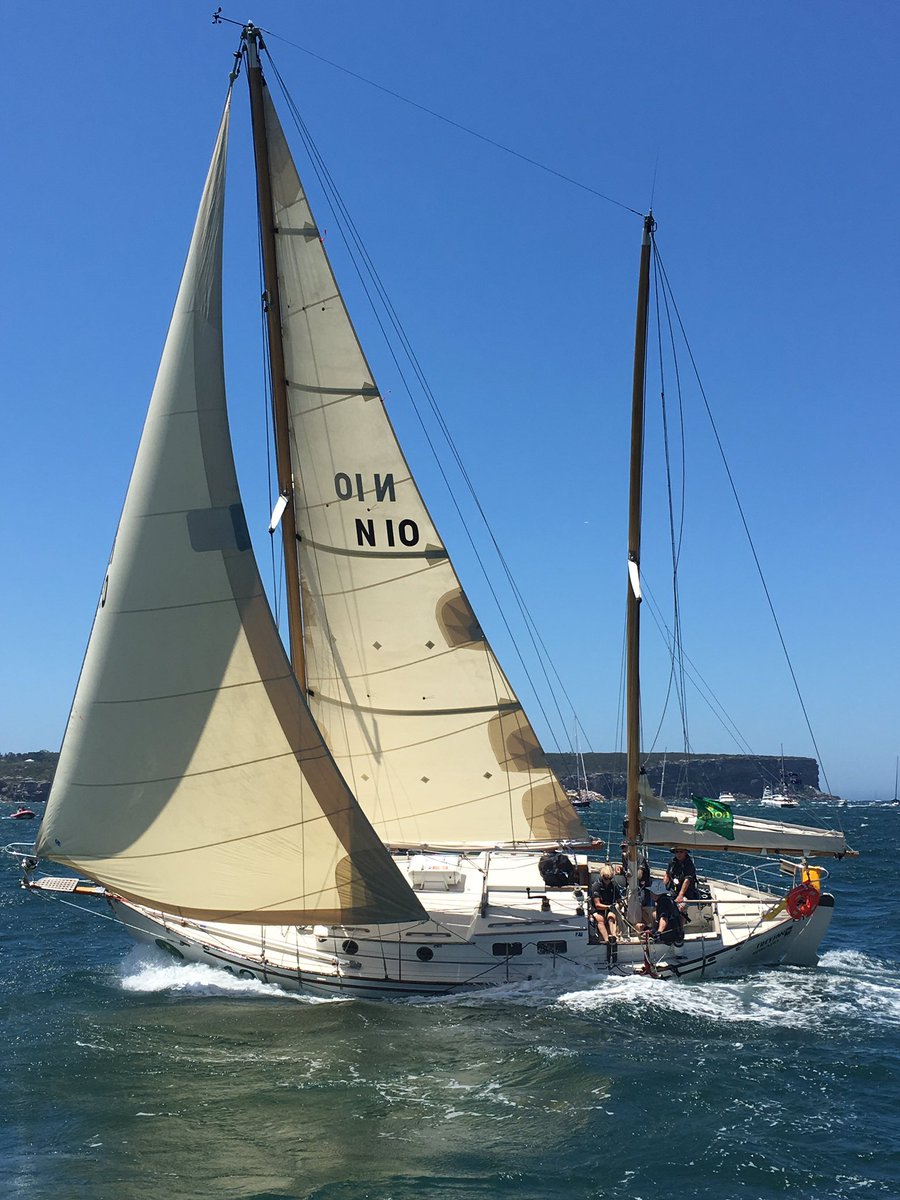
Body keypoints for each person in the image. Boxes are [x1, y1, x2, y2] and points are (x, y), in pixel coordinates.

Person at [590, 864, 620, 960]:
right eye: (606, 878)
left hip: (609, 908)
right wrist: (608, 906)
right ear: (602, 876)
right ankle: (607, 941)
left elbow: (619, 899)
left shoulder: (614, 885)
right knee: (600, 919)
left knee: (612, 917)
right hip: (598, 909)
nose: (608, 880)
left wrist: (619, 905)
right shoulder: (596, 886)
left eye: (610, 878)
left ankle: (613, 939)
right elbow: (597, 904)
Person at [664, 848, 698, 912]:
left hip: (686, 893)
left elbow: (687, 880)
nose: (678, 854)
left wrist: (681, 895)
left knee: (681, 907)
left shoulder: (689, 864)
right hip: (673, 890)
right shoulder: (672, 862)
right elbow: (667, 874)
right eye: (677, 852)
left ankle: (681, 918)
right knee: (662, 904)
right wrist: (664, 888)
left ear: (685, 853)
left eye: (681, 852)